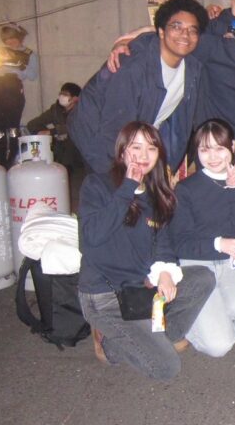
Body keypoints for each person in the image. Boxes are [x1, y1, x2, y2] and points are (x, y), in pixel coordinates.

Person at [77, 121, 214, 380]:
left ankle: (155, 337)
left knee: (202, 278)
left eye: (151, 148)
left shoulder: (156, 193)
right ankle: (107, 344)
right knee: (167, 367)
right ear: (122, 151)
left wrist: (165, 272)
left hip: (140, 287)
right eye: (135, 147)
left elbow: (163, 243)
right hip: (105, 295)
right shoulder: (97, 185)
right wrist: (127, 187)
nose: (143, 155)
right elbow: (91, 237)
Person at [105, 0, 235, 179]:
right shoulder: (214, 48)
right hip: (212, 146)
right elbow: (176, 37)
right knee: (210, 197)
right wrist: (127, 41)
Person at [70, 0, 208, 174]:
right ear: (161, 32)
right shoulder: (132, 67)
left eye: (192, 30)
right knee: (110, 185)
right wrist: (118, 177)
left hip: (137, 137)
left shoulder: (192, 67)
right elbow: (113, 129)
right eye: (176, 27)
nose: (185, 35)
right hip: (96, 134)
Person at [171, 120, 235, 357]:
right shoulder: (186, 189)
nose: (212, 157)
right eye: (205, 149)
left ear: (232, 147)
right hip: (197, 266)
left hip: (232, 261)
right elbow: (180, 243)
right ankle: (194, 319)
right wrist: (219, 244)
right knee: (219, 346)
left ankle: (214, 313)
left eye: (219, 148)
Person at [0, 23, 39, 167]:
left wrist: (21, 68)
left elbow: (33, 75)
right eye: (6, 39)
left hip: (13, 88)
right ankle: (0, 160)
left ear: (19, 37)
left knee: (12, 126)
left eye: (12, 38)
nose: (9, 42)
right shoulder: (0, 52)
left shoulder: (29, 54)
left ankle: (11, 159)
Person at [26, 81, 84, 174]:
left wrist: (52, 131)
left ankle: (67, 168)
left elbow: (75, 127)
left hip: (78, 149)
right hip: (59, 145)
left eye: (66, 94)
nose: (62, 96)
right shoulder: (56, 110)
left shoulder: (82, 110)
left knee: (71, 137)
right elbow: (32, 124)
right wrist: (45, 134)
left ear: (75, 99)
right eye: (61, 93)